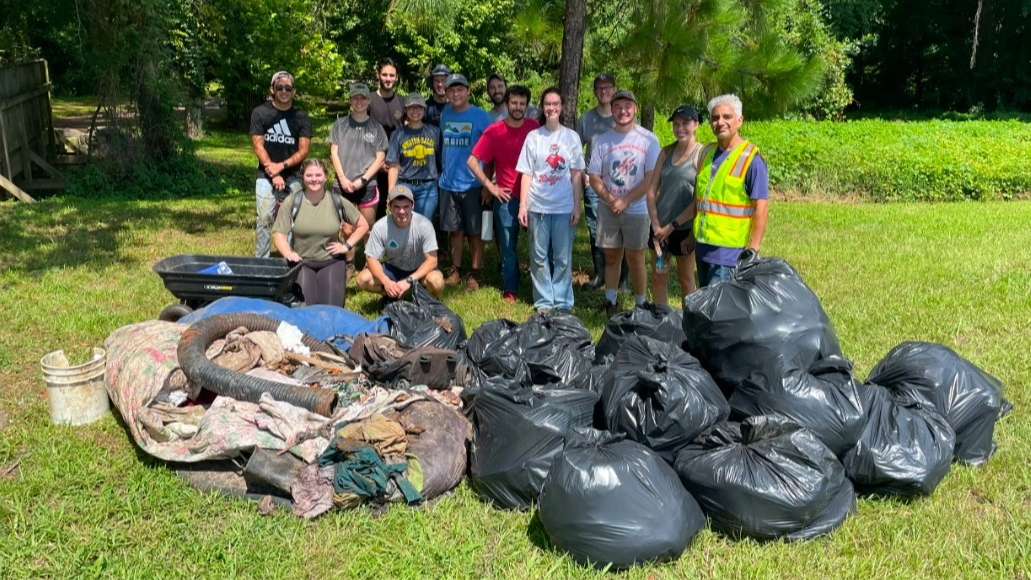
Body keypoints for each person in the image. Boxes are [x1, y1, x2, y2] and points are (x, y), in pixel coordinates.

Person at [588, 89, 661, 316]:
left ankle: (640, 304)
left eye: (628, 106)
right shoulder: (602, 140)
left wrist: (626, 201)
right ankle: (611, 300)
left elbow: (650, 178)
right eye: (618, 107)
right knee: (611, 256)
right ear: (612, 110)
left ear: (635, 109)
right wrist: (612, 200)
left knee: (636, 256)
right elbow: (594, 176)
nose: (623, 111)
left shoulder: (649, 139)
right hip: (609, 208)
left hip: (637, 209)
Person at [468, 85, 539, 303]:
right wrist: (491, 187)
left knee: (539, 246)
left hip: (536, 197)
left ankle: (542, 289)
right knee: (508, 247)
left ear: (527, 106)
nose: (518, 107)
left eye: (522, 104)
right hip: (507, 198)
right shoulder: (495, 131)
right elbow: (472, 161)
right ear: (507, 104)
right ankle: (511, 289)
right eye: (514, 103)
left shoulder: (534, 128)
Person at [516, 87, 584, 312]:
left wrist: (577, 204)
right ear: (542, 108)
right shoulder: (533, 137)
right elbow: (526, 173)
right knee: (538, 257)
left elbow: (576, 174)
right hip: (538, 206)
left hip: (564, 207)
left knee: (563, 258)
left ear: (561, 107)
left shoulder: (571, 137)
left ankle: (563, 302)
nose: (552, 108)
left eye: (556, 104)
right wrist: (523, 205)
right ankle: (544, 302)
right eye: (548, 104)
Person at [693, 94, 769, 286]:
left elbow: (761, 206)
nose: (720, 122)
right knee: (707, 308)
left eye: (727, 117)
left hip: (729, 255)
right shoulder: (708, 154)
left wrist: (753, 249)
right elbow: (700, 201)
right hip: (703, 249)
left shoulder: (751, 159)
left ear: (739, 121)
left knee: (722, 312)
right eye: (715, 118)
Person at [272, 159, 370, 306]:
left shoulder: (337, 201)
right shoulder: (293, 201)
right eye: (309, 175)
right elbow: (279, 233)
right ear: (302, 177)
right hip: (302, 262)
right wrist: (288, 253)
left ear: (325, 177)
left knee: (332, 309)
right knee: (306, 310)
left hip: (331, 262)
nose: (314, 179)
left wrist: (347, 246)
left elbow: (363, 225)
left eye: (318, 175)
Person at [438, 73, 493, 290]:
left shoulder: (480, 116)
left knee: (475, 232)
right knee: (455, 231)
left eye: (460, 89)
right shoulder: (445, 114)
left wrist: (487, 183)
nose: (455, 93)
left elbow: (490, 151)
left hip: (473, 184)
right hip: (449, 183)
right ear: (447, 93)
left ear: (468, 91)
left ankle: (476, 273)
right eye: (451, 90)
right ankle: (456, 270)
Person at [250, 71, 312, 258]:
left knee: (294, 218)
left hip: (293, 174)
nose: (284, 91)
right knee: (265, 218)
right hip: (266, 173)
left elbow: (304, 150)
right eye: (280, 88)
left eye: (288, 88)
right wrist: (273, 172)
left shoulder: (301, 117)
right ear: (272, 89)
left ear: (294, 91)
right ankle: (261, 261)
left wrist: (282, 167)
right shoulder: (260, 113)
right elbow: (258, 145)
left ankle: (291, 257)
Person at [646, 105, 704, 306]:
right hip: (660, 230)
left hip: (683, 229)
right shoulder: (666, 152)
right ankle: (661, 319)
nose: (680, 128)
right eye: (676, 124)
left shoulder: (701, 155)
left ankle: (690, 323)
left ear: (696, 125)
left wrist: (676, 228)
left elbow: (699, 201)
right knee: (659, 275)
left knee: (686, 280)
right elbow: (651, 191)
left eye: (685, 123)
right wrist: (656, 226)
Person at [329, 82, 388, 258]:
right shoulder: (340, 125)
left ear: (369, 101)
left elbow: (380, 158)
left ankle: (370, 264)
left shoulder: (376, 128)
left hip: (367, 185)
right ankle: (349, 263)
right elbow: (334, 152)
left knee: (367, 228)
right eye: (356, 98)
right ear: (350, 101)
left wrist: (362, 180)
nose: (359, 101)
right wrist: (343, 179)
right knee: (346, 228)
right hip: (343, 184)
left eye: (363, 98)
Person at [356, 184, 446, 300]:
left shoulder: (424, 225)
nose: (402, 211)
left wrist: (409, 280)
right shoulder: (380, 226)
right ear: (390, 207)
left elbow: (432, 261)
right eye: (397, 207)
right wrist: (386, 281)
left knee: (436, 281)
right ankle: (390, 295)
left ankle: (430, 301)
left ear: (412, 206)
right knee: (362, 279)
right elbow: (371, 259)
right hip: (393, 269)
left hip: (419, 270)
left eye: (406, 206)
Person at [577, 73, 616, 288]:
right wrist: (583, 173)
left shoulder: (622, 115)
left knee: (619, 228)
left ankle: (622, 278)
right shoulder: (587, 119)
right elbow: (576, 148)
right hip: (593, 181)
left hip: (619, 181)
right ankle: (600, 275)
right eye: (600, 88)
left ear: (614, 89)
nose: (604, 91)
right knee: (595, 228)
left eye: (607, 87)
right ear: (594, 91)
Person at [387, 93, 440, 221]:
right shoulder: (398, 134)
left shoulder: (435, 132)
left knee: (424, 224)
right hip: (405, 185)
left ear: (424, 110)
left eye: (419, 107)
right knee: (403, 223)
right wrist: (391, 192)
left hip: (428, 186)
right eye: (411, 108)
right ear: (405, 110)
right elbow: (393, 166)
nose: (415, 111)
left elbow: (441, 160)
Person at [368, 58, 405, 218]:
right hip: (373, 163)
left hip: (396, 165)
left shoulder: (402, 102)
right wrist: (378, 163)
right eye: (384, 75)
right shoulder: (368, 101)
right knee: (376, 207)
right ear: (378, 75)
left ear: (396, 77)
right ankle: (373, 240)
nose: (388, 79)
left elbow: (406, 133)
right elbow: (362, 135)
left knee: (397, 205)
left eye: (392, 75)